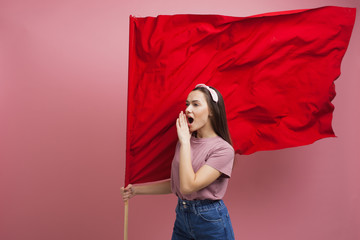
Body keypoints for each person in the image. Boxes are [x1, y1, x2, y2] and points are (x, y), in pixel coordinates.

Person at [121, 84, 235, 239]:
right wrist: (136, 190)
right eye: (187, 104)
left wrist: (185, 143)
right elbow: (178, 184)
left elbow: (189, 186)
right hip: (182, 216)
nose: (188, 109)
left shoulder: (223, 150)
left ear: (212, 112)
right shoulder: (184, 142)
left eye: (195, 104)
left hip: (210, 220)